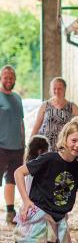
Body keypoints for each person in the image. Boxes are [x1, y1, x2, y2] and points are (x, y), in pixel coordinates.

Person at [0, 65, 25, 226]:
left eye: (11, 77)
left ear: (15, 79)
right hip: (1, 146)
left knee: (11, 180)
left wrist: (24, 141)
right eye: (6, 77)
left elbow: (20, 121)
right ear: (1, 78)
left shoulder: (17, 98)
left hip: (17, 147)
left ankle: (10, 213)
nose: (9, 80)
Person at [31, 77, 78, 152]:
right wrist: (31, 144)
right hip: (45, 147)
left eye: (59, 89)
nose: (57, 91)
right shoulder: (45, 105)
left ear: (64, 89)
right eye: (54, 89)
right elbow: (36, 127)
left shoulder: (72, 107)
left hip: (63, 148)